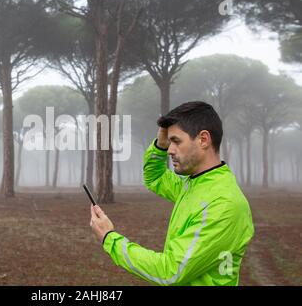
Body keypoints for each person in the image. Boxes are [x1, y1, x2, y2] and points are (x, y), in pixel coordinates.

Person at [90, 101, 254, 286]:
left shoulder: (223, 204)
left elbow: (170, 272)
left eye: (176, 141)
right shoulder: (194, 184)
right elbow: (155, 177)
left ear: (203, 139)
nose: (170, 150)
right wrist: (160, 144)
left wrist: (109, 238)